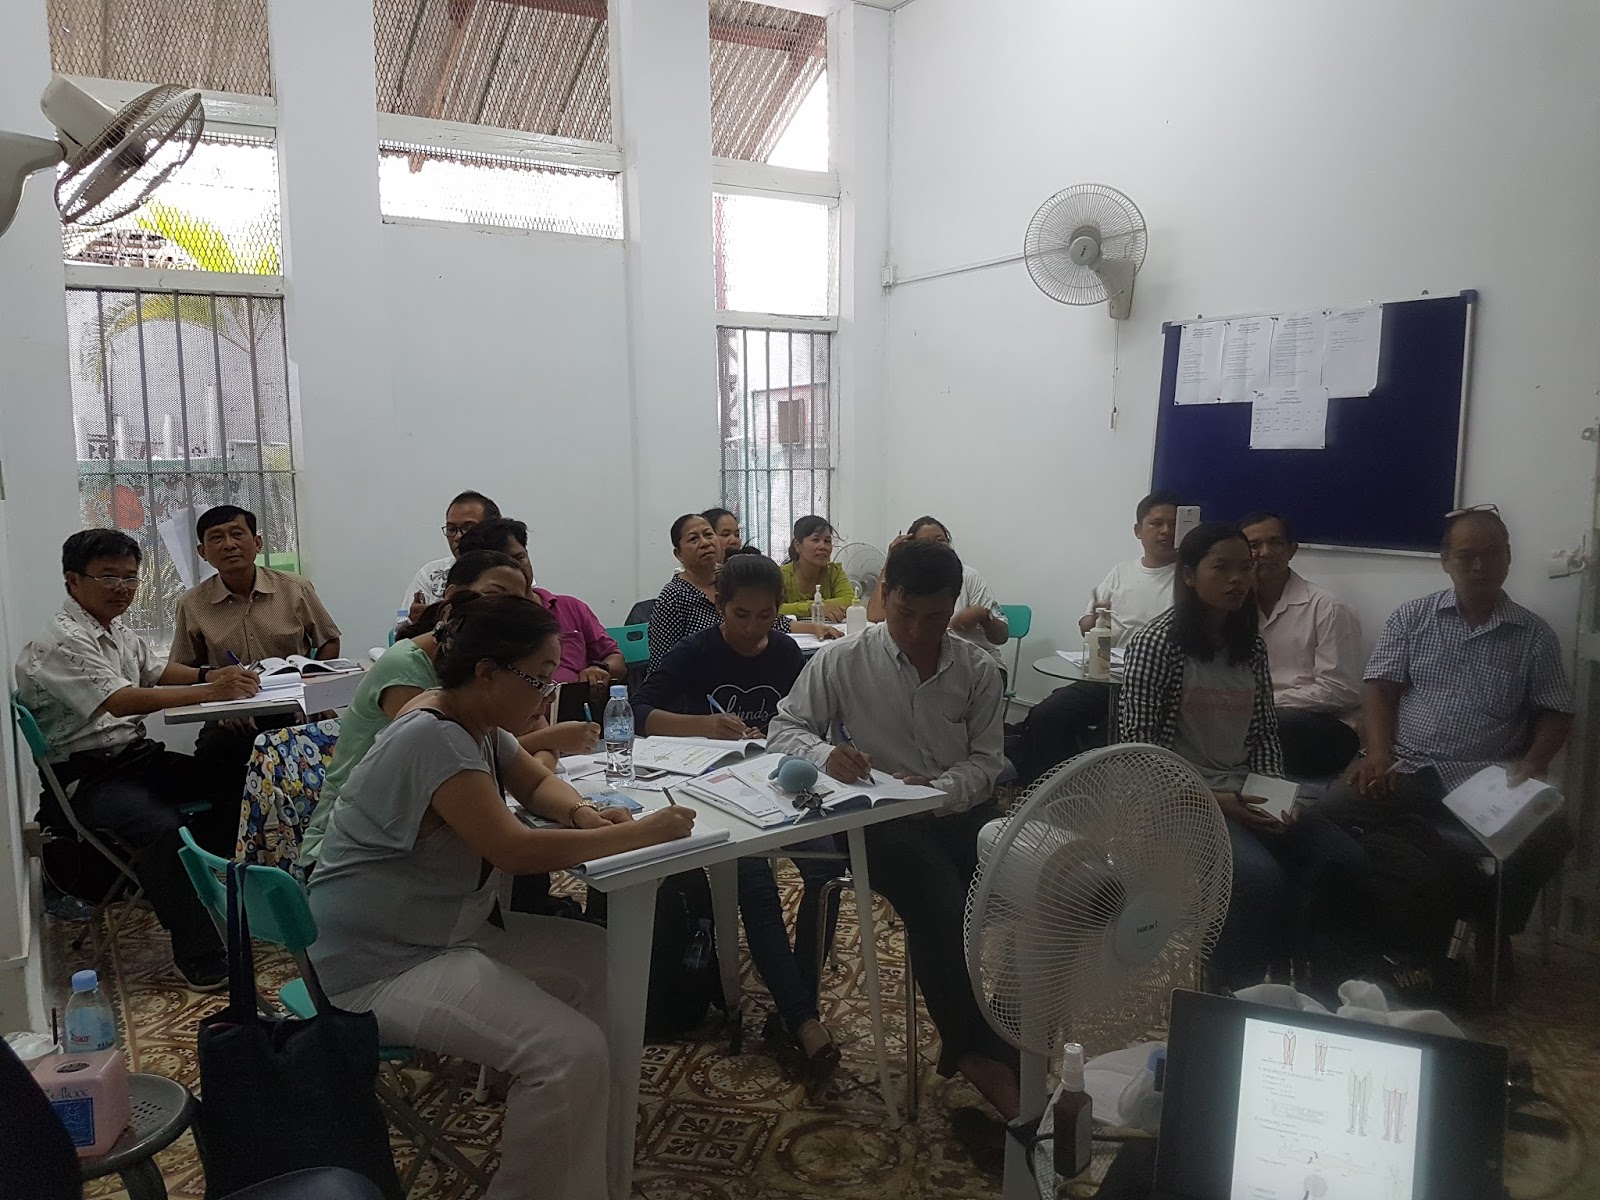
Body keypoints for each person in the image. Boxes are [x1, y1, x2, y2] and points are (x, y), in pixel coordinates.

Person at [308, 596, 695, 1200]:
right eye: (538, 679)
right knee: (567, 1053)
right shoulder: (432, 734)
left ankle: (584, 1167)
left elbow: (536, 782)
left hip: (438, 932)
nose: (547, 696)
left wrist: (583, 813)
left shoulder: (474, 723)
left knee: (600, 959)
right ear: (487, 673)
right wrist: (639, 833)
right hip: (378, 964)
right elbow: (512, 849)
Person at [768, 538, 1020, 1130]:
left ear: (953, 607)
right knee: (941, 901)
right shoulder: (844, 660)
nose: (918, 631)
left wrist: (939, 788)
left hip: (962, 812)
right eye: (906, 614)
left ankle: (1007, 1035)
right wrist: (825, 755)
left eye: (935, 618)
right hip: (879, 819)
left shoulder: (977, 669)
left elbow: (988, 762)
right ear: (886, 594)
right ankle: (978, 1055)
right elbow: (785, 727)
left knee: (1056, 890)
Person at [1311, 506, 1575, 948]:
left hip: (1488, 780)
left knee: (1551, 833)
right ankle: (1370, 917)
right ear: (1445, 561)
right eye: (1466, 555)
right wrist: (1377, 753)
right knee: (1327, 813)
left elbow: (1556, 711)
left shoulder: (1534, 635)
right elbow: (1379, 689)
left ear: (1508, 557)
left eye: (1492, 554)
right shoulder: (1412, 617)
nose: (1479, 566)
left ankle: (1491, 925)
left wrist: (1534, 761)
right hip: (1407, 767)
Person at [15, 530, 261, 989]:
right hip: (89, 779)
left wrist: (213, 673)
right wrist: (212, 690)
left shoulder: (114, 630)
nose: (123, 589)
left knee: (242, 786)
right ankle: (199, 953)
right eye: (109, 577)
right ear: (73, 580)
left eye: (131, 578)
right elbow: (122, 700)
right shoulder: (62, 643)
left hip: (135, 760)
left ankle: (229, 902)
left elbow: (157, 670)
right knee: (162, 829)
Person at [631, 553, 842, 1087]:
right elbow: (636, 712)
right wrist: (703, 726)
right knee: (755, 883)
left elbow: (810, 721)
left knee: (826, 870)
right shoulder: (696, 650)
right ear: (720, 606)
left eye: (764, 616)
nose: (752, 628)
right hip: (720, 789)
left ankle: (796, 1004)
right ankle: (803, 1019)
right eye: (740, 615)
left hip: (781, 783)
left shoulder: (787, 652)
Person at [1118, 522, 1292, 989]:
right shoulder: (1158, 643)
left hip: (1244, 792)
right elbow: (1141, 749)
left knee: (1333, 857)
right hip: (1179, 800)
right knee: (1256, 877)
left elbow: (1265, 733)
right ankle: (1227, 993)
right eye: (1222, 568)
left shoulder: (1250, 645)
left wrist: (1277, 796)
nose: (1238, 579)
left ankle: (1304, 989)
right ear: (1190, 576)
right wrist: (1217, 801)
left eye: (1245, 568)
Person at [300, 550, 533, 865]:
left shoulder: (482, 671)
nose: (505, 615)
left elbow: (512, 759)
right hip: (348, 850)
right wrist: (552, 741)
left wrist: (579, 810)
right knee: (511, 848)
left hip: (414, 829)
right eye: (495, 596)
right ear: (453, 599)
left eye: (518, 604)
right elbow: (454, 759)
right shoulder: (406, 668)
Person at [1008, 490, 1181, 784]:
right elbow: (1086, 625)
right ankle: (1048, 794)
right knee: (1045, 716)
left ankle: (1090, 796)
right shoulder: (1121, 572)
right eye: (1157, 523)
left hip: (1152, 685)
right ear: (1138, 531)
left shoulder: (1188, 578)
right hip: (1106, 676)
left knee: (1107, 740)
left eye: (1174, 524)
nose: (1166, 531)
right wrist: (1096, 617)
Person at [169, 504, 343, 797]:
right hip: (231, 716)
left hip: (296, 705)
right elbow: (183, 670)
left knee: (336, 757)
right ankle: (235, 827)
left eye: (237, 534)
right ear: (202, 552)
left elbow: (328, 641)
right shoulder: (192, 603)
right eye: (216, 538)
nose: (229, 544)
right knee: (214, 768)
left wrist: (314, 697)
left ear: (258, 543)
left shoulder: (295, 588)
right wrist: (223, 703)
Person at [1240, 512, 1364, 778]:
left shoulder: (1328, 607)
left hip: (1323, 724)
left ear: (1292, 550)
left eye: (1275, 543)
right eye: (1254, 545)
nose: (1266, 552)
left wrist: (1263, 703)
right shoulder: (1235, 607)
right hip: (1255, 717)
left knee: (1276, 726)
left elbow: (1342, 690)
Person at [458, 518, 625, 702]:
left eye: (519, 558)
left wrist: (600, 669)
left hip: (578, 712)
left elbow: (615, 658)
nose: (516, 570)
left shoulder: (570, 607)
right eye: (503, 565)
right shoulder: (479, 625)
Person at [648, 513, 838, 673]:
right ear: (679, 554)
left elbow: (773, 620)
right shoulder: (673, 597)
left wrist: (814, 628)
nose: (705, 543)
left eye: (708, 534)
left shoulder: (732, 579)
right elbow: (661, 665)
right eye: (693, 539)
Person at [867, 516, 1008, 664]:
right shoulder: (904, 580)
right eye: (925, 543)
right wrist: (892, 560)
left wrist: (984, 617)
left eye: (940, 540)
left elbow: (1002, 636)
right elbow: (875, 616)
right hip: (926, 659)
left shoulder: (969, 576)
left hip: (976, 662)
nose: (935, 548)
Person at [399, 490, 500, 627]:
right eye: (451, 529)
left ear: (493, 529)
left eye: (467, 527)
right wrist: (414, 621)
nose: (458, 537)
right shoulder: (430, 574)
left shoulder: (511, 574)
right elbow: (400, 628)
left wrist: (433, 617)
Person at [778, 516, 856, 620]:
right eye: (815, 540)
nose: (823, 546)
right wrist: (812, 607)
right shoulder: (780, 575)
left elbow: (850, 600)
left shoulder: (834, 571)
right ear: (797, 545)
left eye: (827, 541)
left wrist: (819, 606)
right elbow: (775, 608)